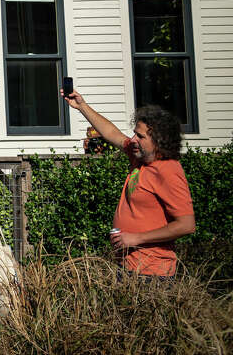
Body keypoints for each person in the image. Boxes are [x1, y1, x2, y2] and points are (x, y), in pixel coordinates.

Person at [63, 88, 196, 277]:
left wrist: (137, 238)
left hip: (152, 274)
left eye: (140, 136)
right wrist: (81, 106)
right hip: (128, 267)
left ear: (160, 141)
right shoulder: (140, 159)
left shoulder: (168, 170)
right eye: (134, 134)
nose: (133, 140)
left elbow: (186, 224)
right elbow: (112, 133)